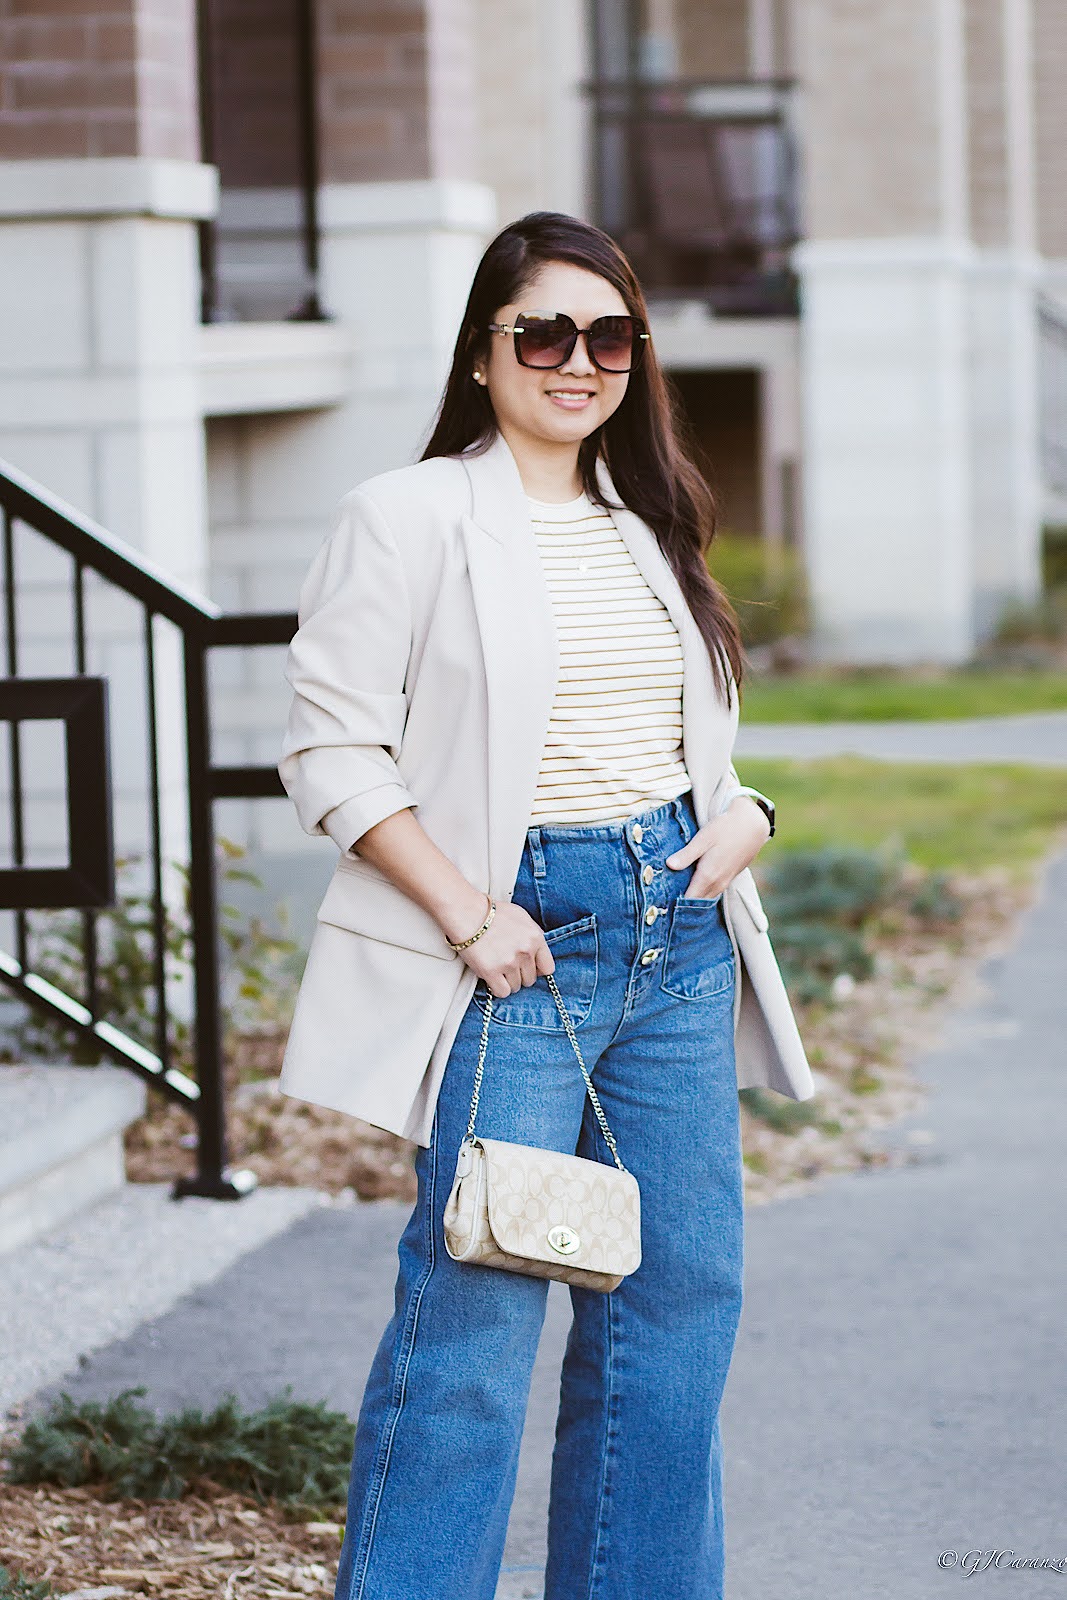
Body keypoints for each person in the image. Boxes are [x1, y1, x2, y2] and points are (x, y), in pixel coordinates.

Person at [277, 211, 813, 1600]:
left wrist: (745, 814)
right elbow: (330, 751)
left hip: (679, 938)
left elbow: (675, 737)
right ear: (482, 353)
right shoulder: (407, 517)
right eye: (545, 334)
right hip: (517, 947)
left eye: (610, 336)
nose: (579, 362)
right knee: (474, 1314)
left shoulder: (650, 520)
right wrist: (470, 914)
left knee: (678, 1309)